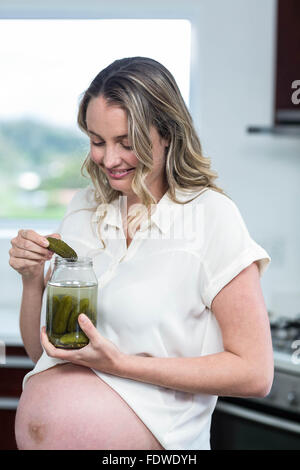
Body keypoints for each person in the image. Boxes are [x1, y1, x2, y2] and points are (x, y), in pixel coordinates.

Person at [9, 57, 273, 450]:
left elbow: (254, 374)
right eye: (98, 142)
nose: (109, 159)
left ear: (167, 133)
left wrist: (118, 364)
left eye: (126, 143)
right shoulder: (84, 208)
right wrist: (33, 280)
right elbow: (42, 352)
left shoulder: (210, 217)